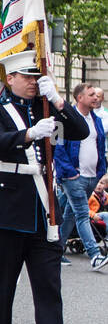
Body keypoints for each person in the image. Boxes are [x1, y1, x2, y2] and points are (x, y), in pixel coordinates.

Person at [0, 50, 85, 324]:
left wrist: (59, 101)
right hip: (8, 210)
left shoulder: (46, 107)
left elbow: (79, 131)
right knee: (3, 287)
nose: (31, 83)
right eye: (25, 77)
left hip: (43, 212)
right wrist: (28, 134)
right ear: (9, 78)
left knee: (49, 290)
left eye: (35, 78)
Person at [53, 83, 108, 271]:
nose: (96, 97)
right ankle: (94, 255)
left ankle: (56, 250)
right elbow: (56, 148)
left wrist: (101, 170)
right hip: (73, 177)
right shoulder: (61, 119)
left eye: (96, 94)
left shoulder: (97, 119)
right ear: (79, 98)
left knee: (70, 214)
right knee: (82, 214)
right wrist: (69, 173)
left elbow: (100, 146)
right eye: (91, 94)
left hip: (92, 176)